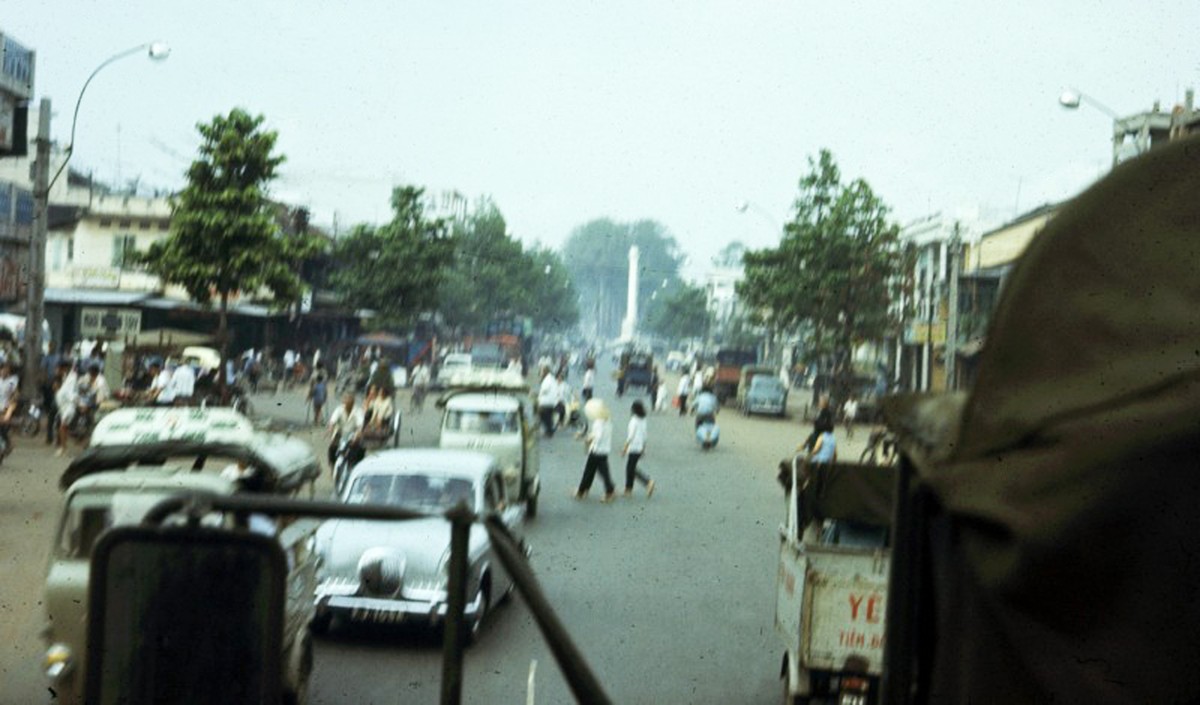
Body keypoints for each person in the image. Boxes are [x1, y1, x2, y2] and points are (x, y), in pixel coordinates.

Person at [573, 398, 615, 502]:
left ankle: (583, 491)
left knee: (591, 471)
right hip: (604, 450)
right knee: (594, 471)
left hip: (596, 450)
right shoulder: (608, 420)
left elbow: (597, 436)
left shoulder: (598, 422)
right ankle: (583, 490)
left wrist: (584, 438)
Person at [621, 400, 655, 497]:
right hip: (639, 447)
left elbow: (630, 436)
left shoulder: (634, 420)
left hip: (633, 447)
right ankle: (628, 489)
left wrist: (625, 447)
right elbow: (645, 435)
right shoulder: (643, 419)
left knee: (630, 469)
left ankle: (648, 482)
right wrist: (643, 447)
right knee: (631, 468)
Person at [327, 392, 366, 471]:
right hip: (340, 434)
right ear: (343, 401)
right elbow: (332, 421)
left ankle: (357, 466)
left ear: (353, 402)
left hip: (353, 435)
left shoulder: (358, 411)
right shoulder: (339, 410)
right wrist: (330, 428)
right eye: (346, 400)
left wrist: (358, 434)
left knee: (360, 449)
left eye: (350, 400)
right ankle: (332, 466)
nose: (348, 402)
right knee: (332, 448)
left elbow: (360, 425)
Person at [54, 364, 79, 456]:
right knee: (64, 428)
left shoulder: (69, 382)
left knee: (62, 427)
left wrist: (76, 402)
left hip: (69, 408)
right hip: (63, 410)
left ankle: (63, 447)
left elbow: (71, 395)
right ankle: (64, 445)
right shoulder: (59, 391)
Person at [0, 361, 19, 456]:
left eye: (7, 369)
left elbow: (15, 393)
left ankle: (8, 444)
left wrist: (12, 400)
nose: (4, 371)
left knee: (2, 427)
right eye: (3, 369)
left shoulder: (12, 380)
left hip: (6, 408)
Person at [536, 368, 558, 437]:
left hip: (547, 402)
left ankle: (549, 431)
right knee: (547, 417)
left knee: (544, 417)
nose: (541, 374)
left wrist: (539, 394)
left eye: (542, 372)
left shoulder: (548, 379)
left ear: (545, 372)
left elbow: (545, 389)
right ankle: (549, 431)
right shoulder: (550, 379)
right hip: (550, 401)